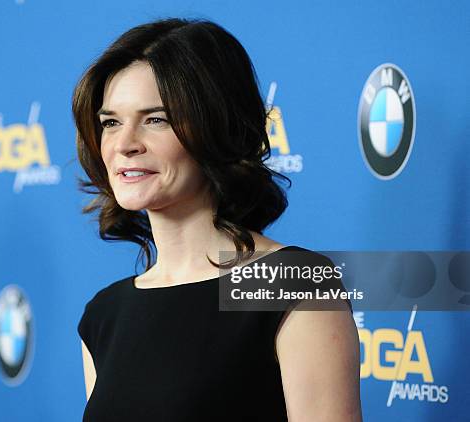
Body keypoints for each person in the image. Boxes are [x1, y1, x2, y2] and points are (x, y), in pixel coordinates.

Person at [73, 18, 362, 421]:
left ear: (216, 126)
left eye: (156, 119)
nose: (124, 145)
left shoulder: (291, 284)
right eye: (111, 123)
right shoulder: (104, 314)